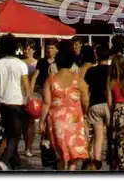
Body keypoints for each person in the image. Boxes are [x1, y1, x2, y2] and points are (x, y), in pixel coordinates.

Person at [39, 41, 89, 171]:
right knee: (73, 154)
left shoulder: (50, 79)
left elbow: (46, 103)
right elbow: (85, 100)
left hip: (56, 120)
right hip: (75, 118)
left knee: (59, 155)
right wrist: (84, 112)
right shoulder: (78, 79)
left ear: (58, 63)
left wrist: (41, 122)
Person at [0, 34, 31, 171]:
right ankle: (5, 160)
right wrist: (29, 100)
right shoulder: (21, 64)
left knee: (7, 133)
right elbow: (26, 86)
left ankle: (15, 161)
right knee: (15, 135)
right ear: (15, 48)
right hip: (17, 103)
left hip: (2, 103)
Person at [83, 45, 110, 168]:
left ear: (96, 56)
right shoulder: (112, 70)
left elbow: (86, 90)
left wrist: (86, 106)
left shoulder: (91, 71)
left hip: (95, 104)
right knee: (110, 134)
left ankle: (96, 159)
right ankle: (111, 157)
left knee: (97, 135)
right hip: (109, 104)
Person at [22, 40, 38, 157]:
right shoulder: (19, 62)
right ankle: (26, 145)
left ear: (33, 50)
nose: (26, 51)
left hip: (32, 93)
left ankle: (29, 147)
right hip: (20, 92)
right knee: (23, 121)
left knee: (31, 120)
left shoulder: (37, 63)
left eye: (29, 49)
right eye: (25, 49)